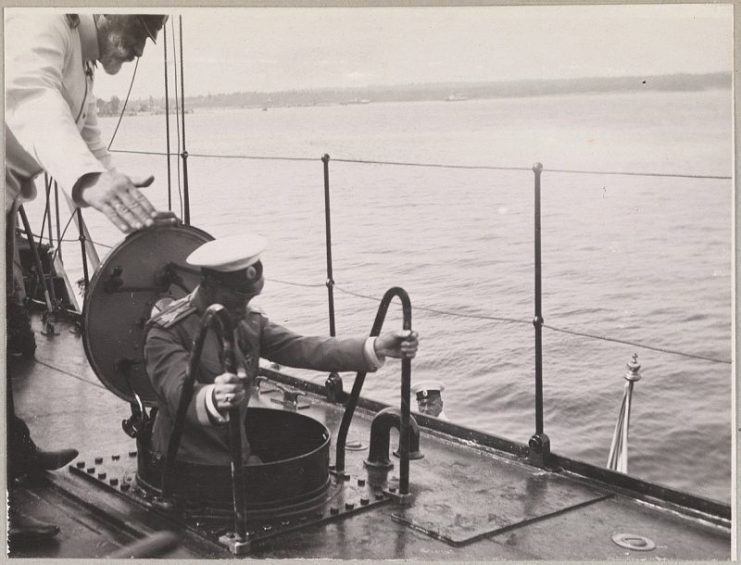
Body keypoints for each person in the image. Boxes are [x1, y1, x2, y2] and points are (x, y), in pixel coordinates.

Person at [5, 12, 168, 545]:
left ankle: (12, 449)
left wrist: (133, 209)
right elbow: (29, 96)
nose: (141, 50)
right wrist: (89, 178)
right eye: (141, 31)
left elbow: (89, 143)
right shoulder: (45, 19)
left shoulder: (85, 61)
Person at [144, 234, 420, 466]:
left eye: (249, 300)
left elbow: (304, 348)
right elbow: (178, 392)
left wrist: (375, 346)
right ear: (208, 285)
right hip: (186, 468)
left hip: (237, 460)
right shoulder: (167, 333)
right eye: (236, 300)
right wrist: (214, 397)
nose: (243, 309)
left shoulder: (248, 323)